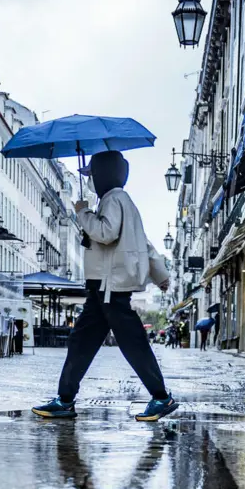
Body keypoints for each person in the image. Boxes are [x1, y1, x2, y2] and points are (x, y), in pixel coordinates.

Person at [32, 150, 177, 422]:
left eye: (92, 175)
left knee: (131, 342)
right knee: (82, 341)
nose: (89, 181)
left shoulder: (113, 199)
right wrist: (160, 274)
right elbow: (142, 242)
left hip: (109, 284)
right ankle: (64, 399)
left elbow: (106, 233)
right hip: (104, 285)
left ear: (101, 175)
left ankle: (161, 397)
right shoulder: (123, 201)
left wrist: (82, 213)